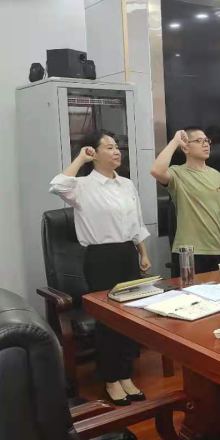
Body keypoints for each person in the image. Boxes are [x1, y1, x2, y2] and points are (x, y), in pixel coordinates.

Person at [49, 130, 150, 406]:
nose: (117, 151)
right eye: (109, 147)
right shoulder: (82, 186)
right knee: (108, 320)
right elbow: (57, 185)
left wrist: (143, 253)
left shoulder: (126, 184)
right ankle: (111, 379)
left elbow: (137, 223)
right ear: (94, 152)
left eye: (117, 147)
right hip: (100, 258)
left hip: (128, 254)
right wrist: (80, 158)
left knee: (129, 317)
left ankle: (126, 374)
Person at [150, 128, 220, 274]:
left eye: (207, 141)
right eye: (199, 141)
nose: (206, 144)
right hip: (189, 251)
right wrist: (175, 142)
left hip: (218, 248)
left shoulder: (216, 174)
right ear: (185, 148)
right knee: (190, 289)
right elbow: (156, 170)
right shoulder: (178, 173)